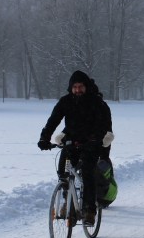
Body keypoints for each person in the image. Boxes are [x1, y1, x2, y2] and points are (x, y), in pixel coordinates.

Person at [37, 70, 111, 226]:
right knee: (63, 172)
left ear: (86, 86)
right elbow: (53, 120)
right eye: (75, 87)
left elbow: (103, 125)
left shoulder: (96, 103)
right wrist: (45, 138)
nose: (78, 90)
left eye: (80, 86)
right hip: (72, 143)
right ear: (70, 88)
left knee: (87, 172)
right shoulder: (65, 102)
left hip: (91, 144)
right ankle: (67, 202)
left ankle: (89, 210)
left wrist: (95, 139)